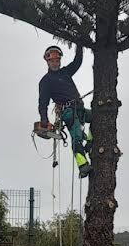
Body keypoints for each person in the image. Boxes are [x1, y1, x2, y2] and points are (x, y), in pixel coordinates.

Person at [38, 44, 92, 178]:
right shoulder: (46, 81)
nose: (55, 63)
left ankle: (90, 142)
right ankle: (83, 166)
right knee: (77, 136)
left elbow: (77, 62)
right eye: (52, 61)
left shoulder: (65, 72)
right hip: (67, 112)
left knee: (97, 117)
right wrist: (44, 120)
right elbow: (43, 103)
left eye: (57, 60)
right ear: (47, 62)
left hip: (79, 108)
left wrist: (79, 45)